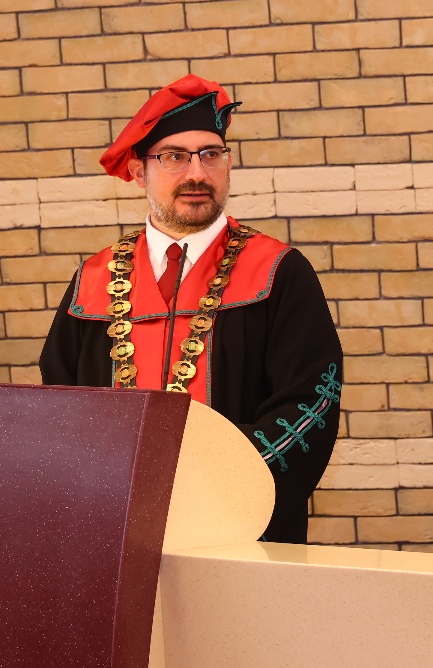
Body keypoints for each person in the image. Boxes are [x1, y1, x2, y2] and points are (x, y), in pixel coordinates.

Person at [40, 74, 345, 542]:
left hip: (240, 532)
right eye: (174, 157)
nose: (197, 173)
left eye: (211, 155)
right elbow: (58, 411)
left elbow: (311, 405)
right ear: (139, 172)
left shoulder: (278, 272)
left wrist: (208, 494)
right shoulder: (93, 281)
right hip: (114, 530)